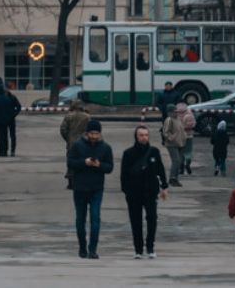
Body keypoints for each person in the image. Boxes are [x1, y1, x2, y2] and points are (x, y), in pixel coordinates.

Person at [120, 125, 169, 259]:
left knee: (152, 219)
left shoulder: (154, 152)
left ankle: (150, 246)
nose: (144, 137)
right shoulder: (128, 153)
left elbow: (160, 170)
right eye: (141, 135)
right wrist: (126, 190)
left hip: (150, 192)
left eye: (146, 135)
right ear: (136, 136)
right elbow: (123, 175)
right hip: (133, 193)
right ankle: (138, 249)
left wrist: (164, 187)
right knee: (136, 221)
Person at [67, 119, 113, 259]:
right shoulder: (77, 146)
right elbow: (70, 162)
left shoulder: (105, 148)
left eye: (97, 133)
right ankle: (82, 247)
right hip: (80, 187)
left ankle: (92, 249)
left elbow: (109, 167)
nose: (94, 136)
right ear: (87, 133)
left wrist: (99, 165)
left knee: (95, 219)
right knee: (80, 219)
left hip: (96, 188)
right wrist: (84, 162)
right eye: (92, 133)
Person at [60, 100, 91, 189]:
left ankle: (71, 182)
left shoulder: (68, 116)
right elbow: (90, 129)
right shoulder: (87, 117)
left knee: (71, 161)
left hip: (71, 142)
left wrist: (68, 138)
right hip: (84, 142)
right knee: (84, 160)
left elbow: (63, 129)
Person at [161, 104, 186, 186]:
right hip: (172, 144)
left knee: (179, 161)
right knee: (176, 160)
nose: (176, 113)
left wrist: (184, 138)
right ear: (170, 112)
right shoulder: (169, 120)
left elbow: (181, 130)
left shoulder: (178, 119)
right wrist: (171, 138)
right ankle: (172, 178)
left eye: (176, 111)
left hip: (180, 143)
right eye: (174, 112)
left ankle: (176, 178)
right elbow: (165, 132)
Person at [0, 88, 18, 157]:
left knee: (2, 136)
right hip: (9, 119)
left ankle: (3, 151)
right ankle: (8, 151)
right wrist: (13, 114)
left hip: (1, 120)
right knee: (9, 136)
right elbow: (18, 107)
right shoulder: (10, 99)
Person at [176, 101, 196, 175]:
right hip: (189, 136)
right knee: (188, 152)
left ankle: (181, 168)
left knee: (180, 153)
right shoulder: (189, 112)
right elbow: (194, 124)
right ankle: (187, 163)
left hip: (179, 136)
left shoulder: (176, 112)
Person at [5, 90, 22, 156]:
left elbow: (19, 107)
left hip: (7, 118)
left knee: (8, 136)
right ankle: (12, 151)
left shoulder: (11, 98)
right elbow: (19, 107)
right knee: (12, 136)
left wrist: (14, 114)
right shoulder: (12, 97)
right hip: (11, 118)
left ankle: (10, 150)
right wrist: (14, 114)